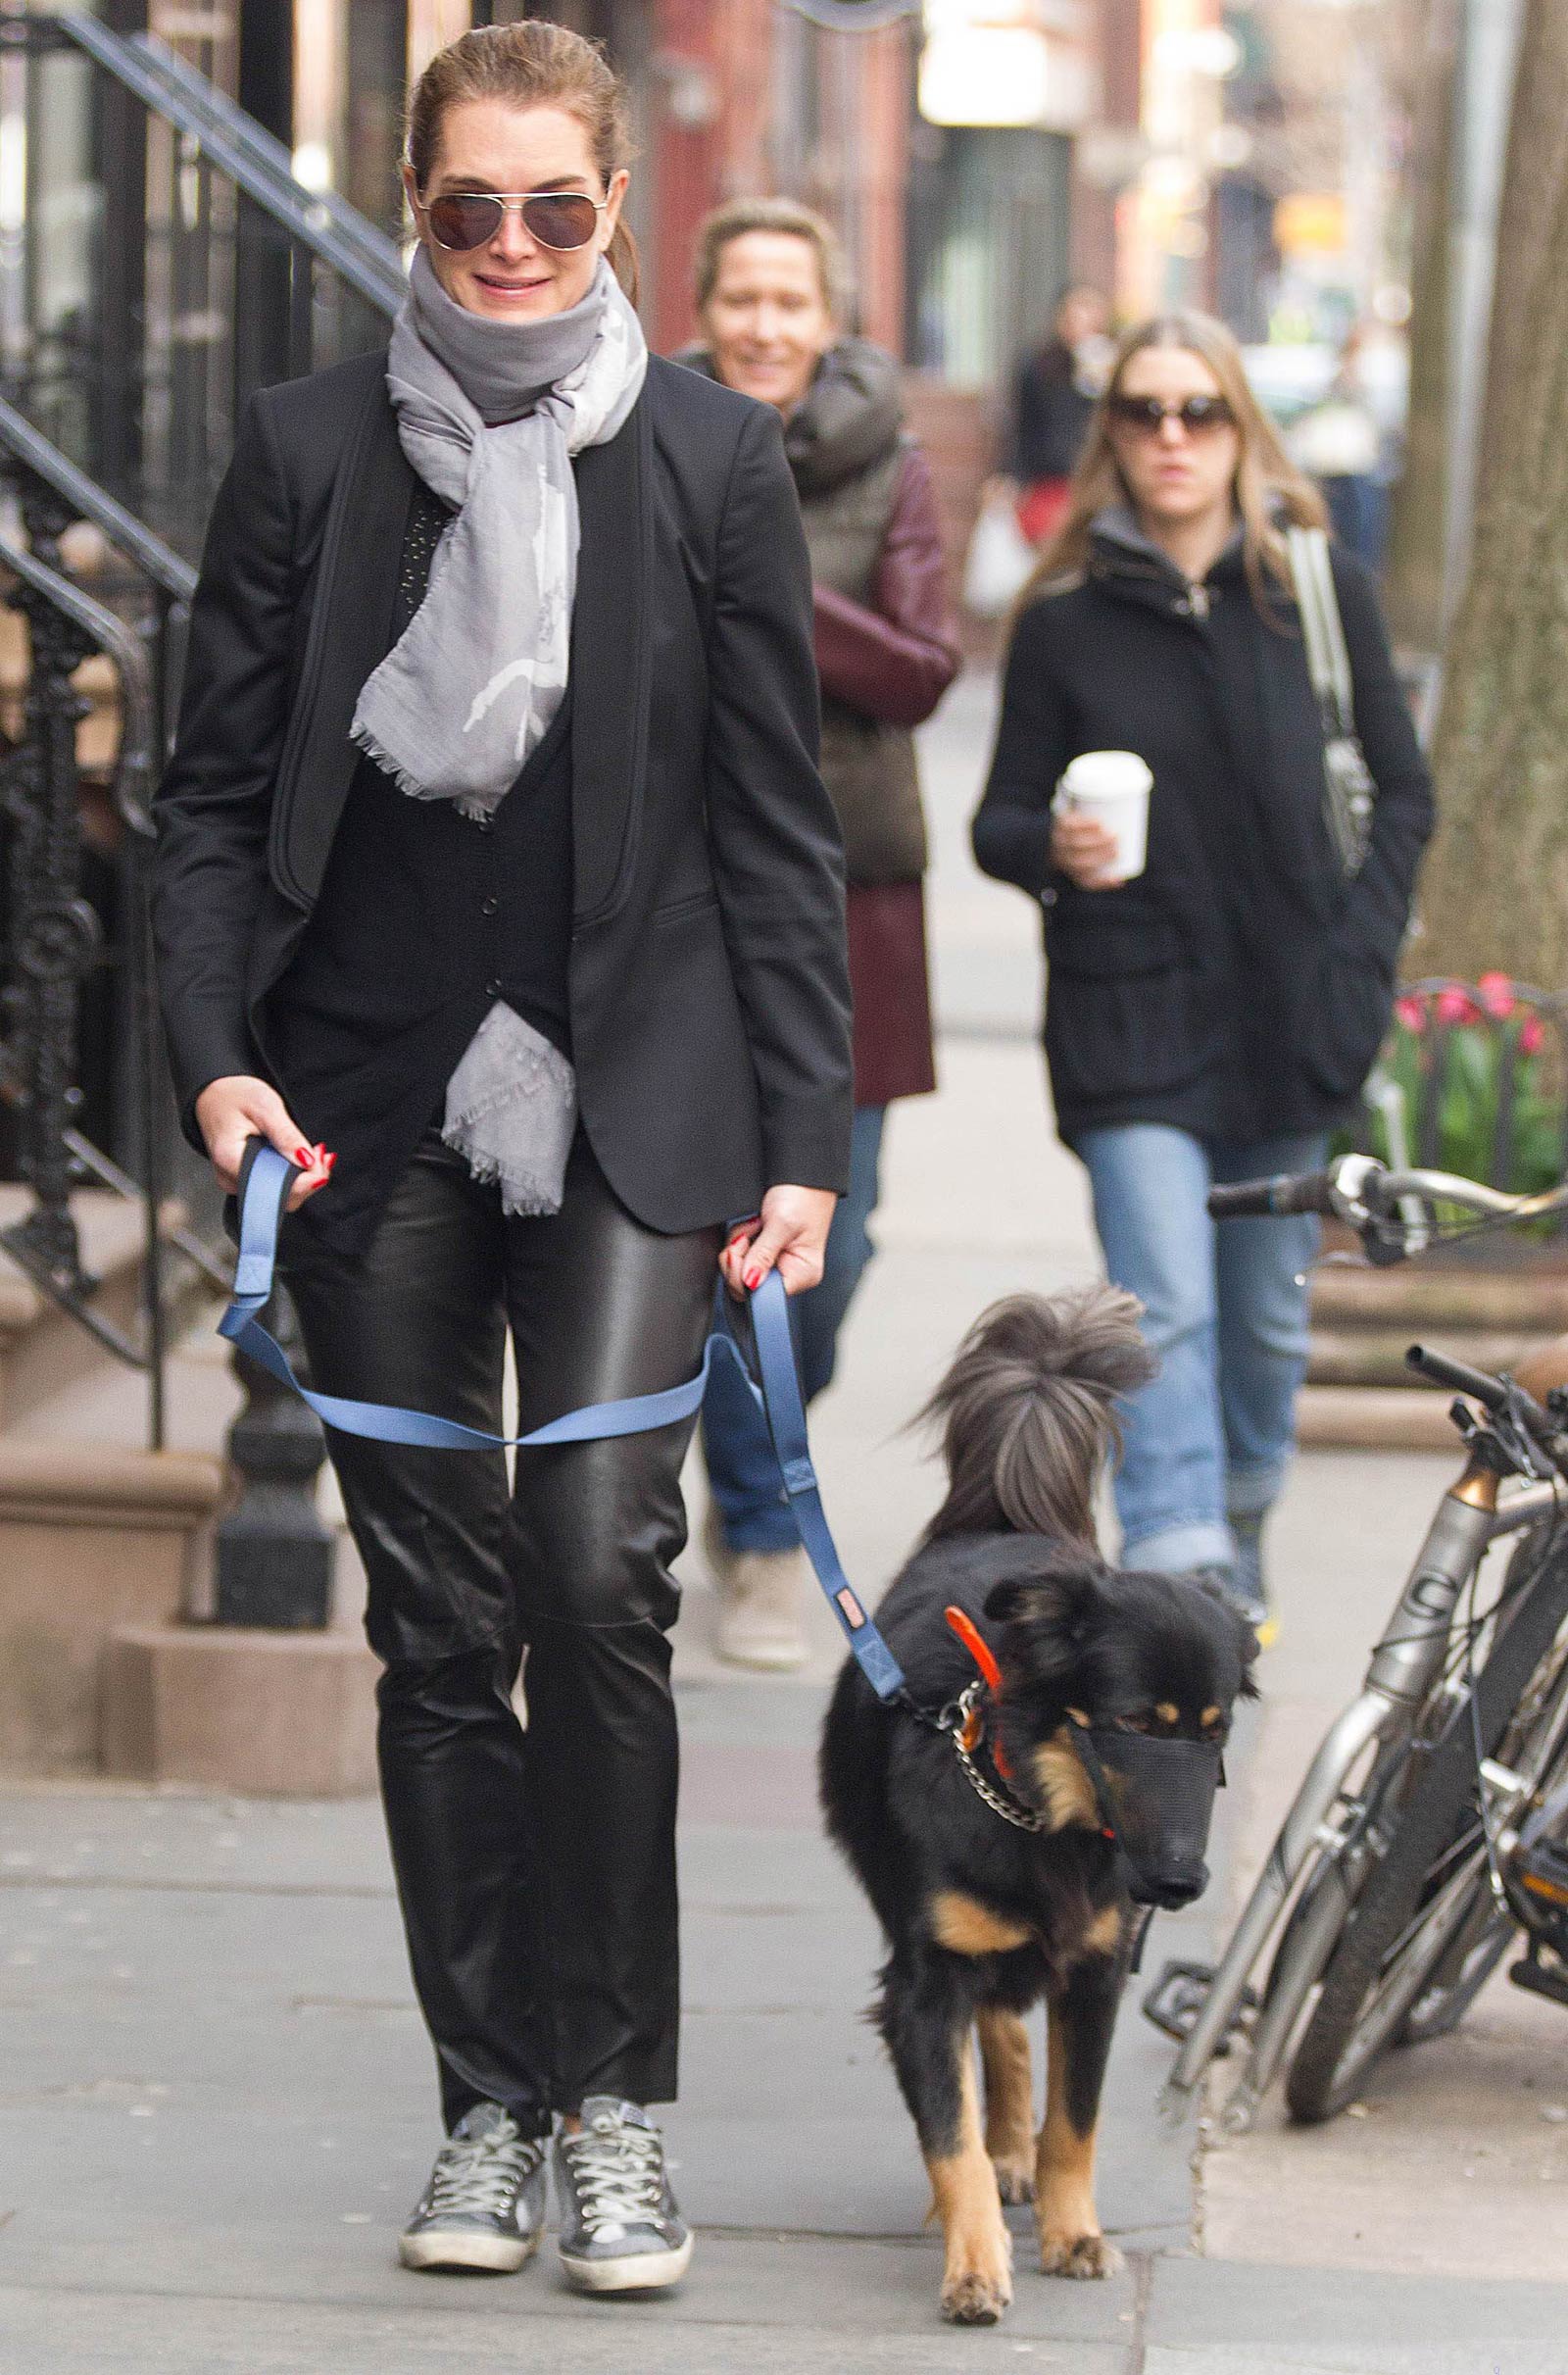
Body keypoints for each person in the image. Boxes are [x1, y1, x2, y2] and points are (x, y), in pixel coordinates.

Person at [153, 22, 851, 2298]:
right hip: (365, 1100)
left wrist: (804, 1141)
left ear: (613, 215)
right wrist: (210, 1061)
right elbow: (208, 793)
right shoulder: (304, 450)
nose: (519, 248)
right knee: (443, 1625)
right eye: (476, 208)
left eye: (560, 208)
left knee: (589, 1573)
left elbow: (773, 836)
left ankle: (616, 2104)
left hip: (645, 1099)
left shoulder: (713, 459)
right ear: (416, 201)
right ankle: (486, 2112)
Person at [971, 311, 1433, 1637]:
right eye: (1144, 412)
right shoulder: (1064, 622)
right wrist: (1052, 843)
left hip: (1294, 1015)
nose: (1172, 437)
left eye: (1199, 412)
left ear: (1241, 431)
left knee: (1266, 1326)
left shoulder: (1317, 590)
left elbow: (1404, 794)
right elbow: (997, 824)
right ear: (1111, 434)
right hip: (1128, 1017)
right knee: (1162, 1294)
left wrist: (1362, 957)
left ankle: (1236, 1519)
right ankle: (1185, 1566)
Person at [676, 196, 959, 1669]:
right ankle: (766, 1532)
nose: (766, 327)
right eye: (743, 299)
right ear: (708, 306)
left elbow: (918, 669)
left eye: (793, 300)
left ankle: (754, 1468)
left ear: (829, 316)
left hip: (852, 905)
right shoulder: (638, 435)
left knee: (828, 1262)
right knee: (734, 1238)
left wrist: (769, 575)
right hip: (681, 890)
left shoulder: (889, 463)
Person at [1004, 284, 1113, 546]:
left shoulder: (1112, 365)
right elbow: (1023, 426)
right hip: (1049, 482)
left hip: (1095, 484)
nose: (1080, 321)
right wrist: (1013, 476)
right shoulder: (1039, 365)